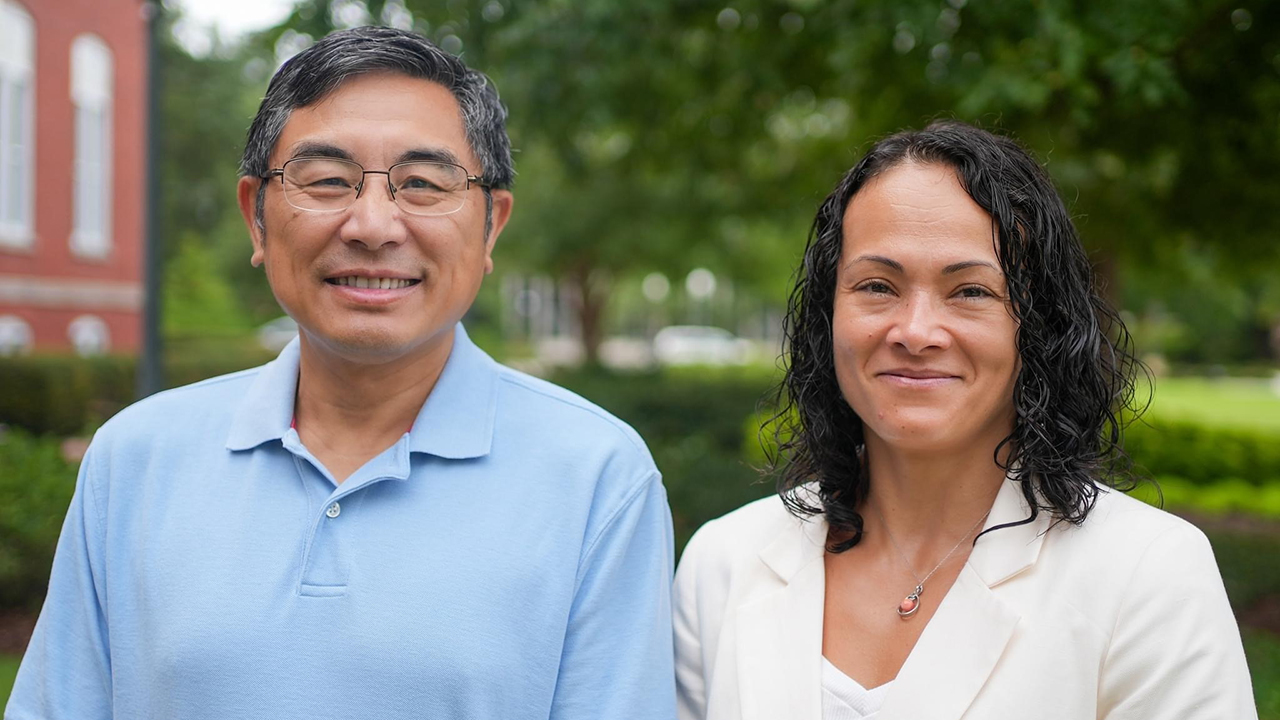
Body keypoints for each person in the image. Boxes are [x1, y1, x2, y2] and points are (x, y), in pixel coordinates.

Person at [7, 27, 676, 720]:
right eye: (327, 181)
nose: (374, 224)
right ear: (257, 219)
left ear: (491, 226)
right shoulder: (136, 459)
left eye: (422, 184)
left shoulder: (598, 477)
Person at [672, 121, 1257, 720]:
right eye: (877, 285)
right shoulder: (722, 565)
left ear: (1040, 324)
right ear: (828, 312)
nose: (916, 331)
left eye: (971, 291)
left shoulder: (1147, 574)